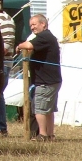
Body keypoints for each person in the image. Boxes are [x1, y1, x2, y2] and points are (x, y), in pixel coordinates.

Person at [16, 14, 62, 142]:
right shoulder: (47, 37)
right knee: (48, 110)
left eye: (34, 24)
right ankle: (50, 134)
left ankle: (42, 135)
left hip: (46, 81)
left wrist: (19, 46)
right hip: (52, 80)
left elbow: (29, 45)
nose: (32, 27)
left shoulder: (44, 37)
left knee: (39, 109)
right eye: (31, 25)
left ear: (43, 24)